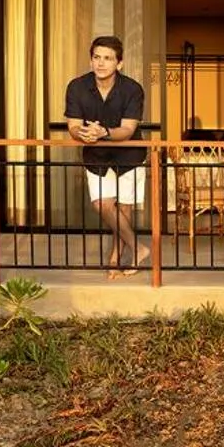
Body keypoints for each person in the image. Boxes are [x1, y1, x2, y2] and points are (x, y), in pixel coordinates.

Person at [64, 36, 148, 278]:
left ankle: (115, 259)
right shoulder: (77, 87)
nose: (101, 63)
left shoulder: (132, 89)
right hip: (96, 156)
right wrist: (84, 134)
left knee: (124, 210)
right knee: (102, 204)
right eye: (97, 57)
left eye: (108, 58)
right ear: (91, 60)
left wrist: (104, 133)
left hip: (129, 156)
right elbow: (73, 126)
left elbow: (128, 130)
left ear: (119, 64)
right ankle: (138, 248)